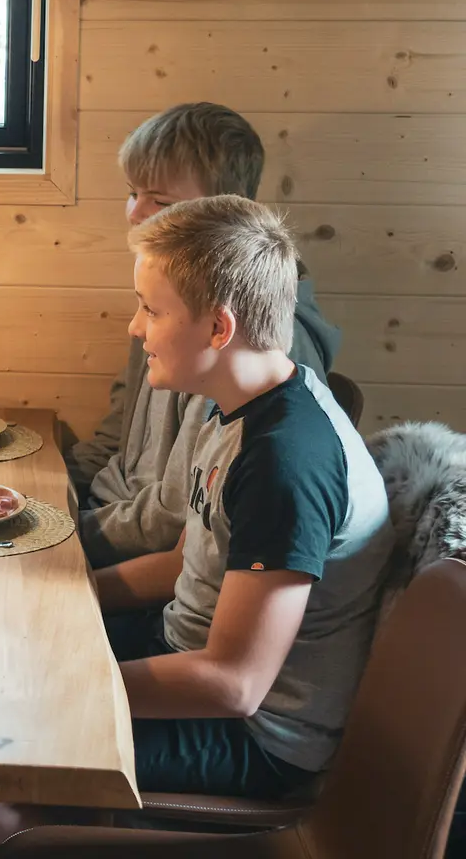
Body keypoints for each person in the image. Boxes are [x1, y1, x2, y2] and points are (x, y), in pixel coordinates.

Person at [94, 195, 392, 797]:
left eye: (151, 310)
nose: (135, 327)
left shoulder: (286, 463)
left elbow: (236, 684)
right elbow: (185, 562)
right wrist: (64, 592)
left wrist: (58, 684)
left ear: (218, 327)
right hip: (181, 655)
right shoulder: (234, 405)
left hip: (253, 738)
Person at [67, 103, 343, 567]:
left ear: (224, 209)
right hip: (105, 520)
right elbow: (115, 438)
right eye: (132, 193)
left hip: (145, 560)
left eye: (160, 201)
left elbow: (182, 519)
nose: (136, 213)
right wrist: (49, 497)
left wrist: (59, 536)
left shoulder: (243, 343)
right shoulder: (166, 303)